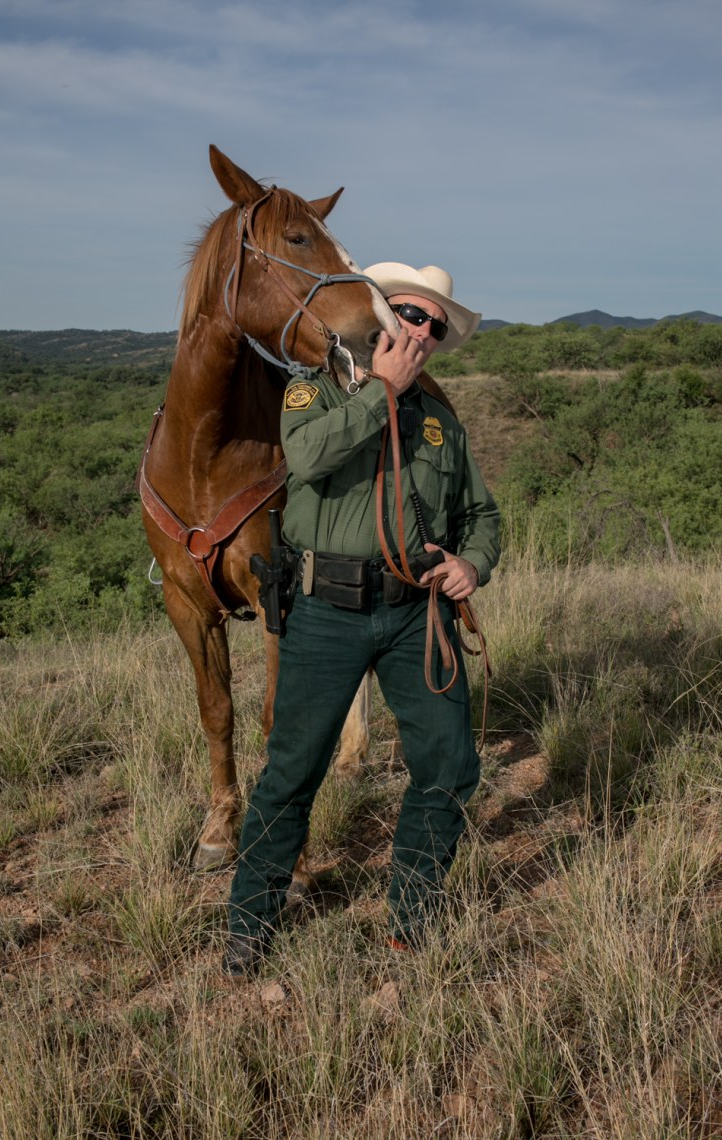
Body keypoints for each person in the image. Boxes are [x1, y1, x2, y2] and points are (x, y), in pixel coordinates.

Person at [223, 263, 500, 976]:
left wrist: (473, 564)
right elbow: (308, 458)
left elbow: (481, 515)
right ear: (379, 313)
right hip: (325, 611)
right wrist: (384, 392)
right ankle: (251, 922)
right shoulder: (311, 388)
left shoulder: (441, 423)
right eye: (411, 314)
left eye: (435, 325)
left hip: (418, 613)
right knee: (293, 770)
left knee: (449, 763)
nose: (422, 331)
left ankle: (411, 915)